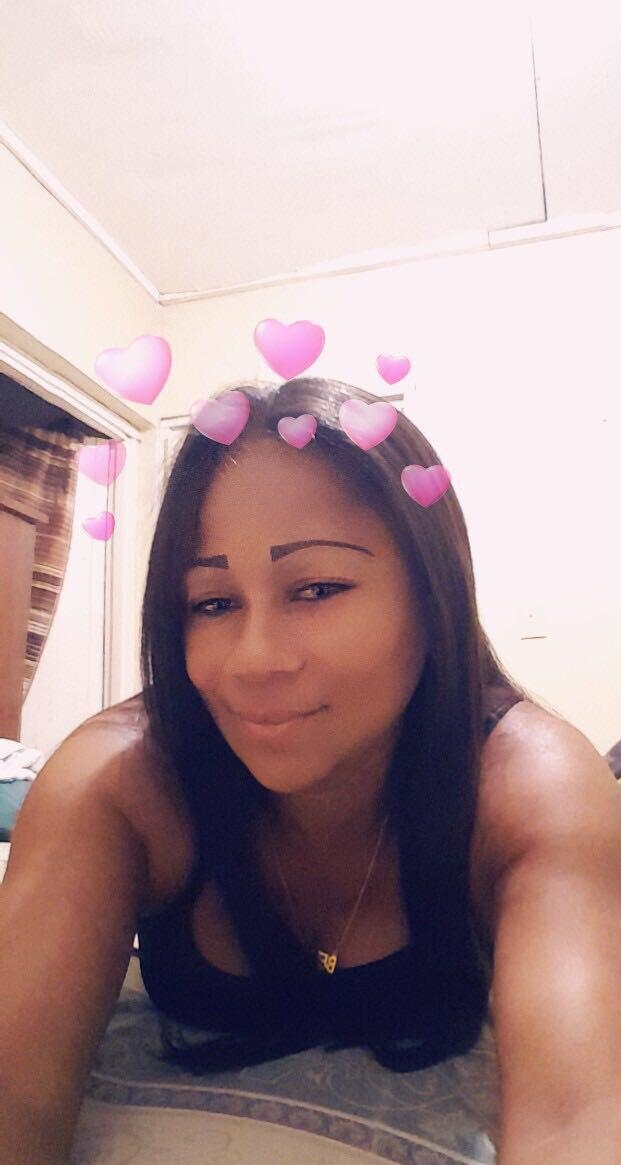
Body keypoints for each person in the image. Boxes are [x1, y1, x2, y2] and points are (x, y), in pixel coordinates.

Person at [120, 375, 555, 1075]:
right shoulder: (124, 779)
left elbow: (589, 1112)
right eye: (213, 604)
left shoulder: (532, 781)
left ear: (432, 594)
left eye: (317, 589)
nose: (255, 661)